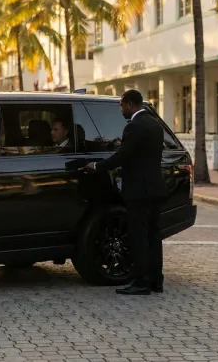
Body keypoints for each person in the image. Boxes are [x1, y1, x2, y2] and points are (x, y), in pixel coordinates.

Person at [84, 90, 167, 295]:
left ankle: (141, 282)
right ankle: (157, 280)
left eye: (122, 106)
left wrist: (97, 166)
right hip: (155, 188)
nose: (121, 110)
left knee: (138, 236)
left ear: (130, 104)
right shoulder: (155, 124)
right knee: (154, 236)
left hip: (138, 191)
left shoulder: (134, 126)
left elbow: (123, 156)